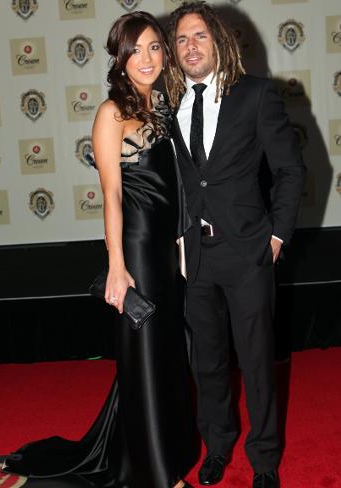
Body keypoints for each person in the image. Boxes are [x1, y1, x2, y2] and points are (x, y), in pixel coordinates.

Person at [2, 11, 199, 488]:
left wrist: (182, 245)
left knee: (168, 354)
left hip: (168, 252)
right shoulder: (111, 113)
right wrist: (116, 266)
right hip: (134, 251)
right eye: (137, 50)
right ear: (120, 57)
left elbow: (179, 186)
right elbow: (111, 194)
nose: (148, 58)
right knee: (147, 355)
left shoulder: (165, 107)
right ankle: (157, 474)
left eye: (156, 47)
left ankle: (164, 450)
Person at [165, 2, 306, 487]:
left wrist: (276, 236)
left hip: (248, 253)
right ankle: (217, 446)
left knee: (256, 361)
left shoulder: (256, 95)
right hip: (196, 258)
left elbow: (290, 170)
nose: (190, 47)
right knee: (207, 363)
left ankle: (264, 459)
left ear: (219, 40)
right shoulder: (167, 104)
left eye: (199, 36)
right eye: (181, 39)